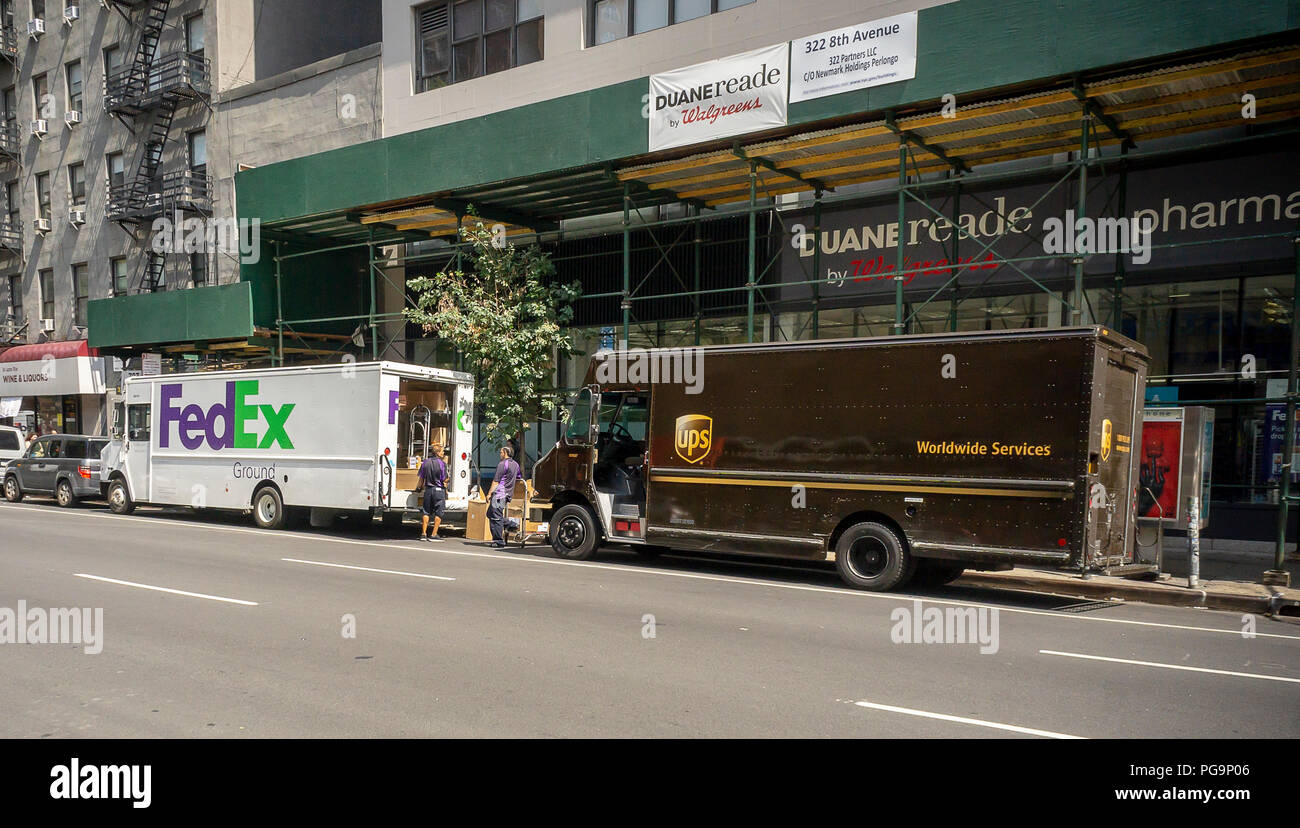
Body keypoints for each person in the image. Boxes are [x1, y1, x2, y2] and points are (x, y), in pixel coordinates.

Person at [486, 445, 521, 549]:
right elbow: (519, 477)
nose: (500, 454)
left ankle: (498, 541)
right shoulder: (515, 464)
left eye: (501, 452)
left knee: (496, 517)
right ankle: (511, 524)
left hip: (499, 494)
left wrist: (489, 493)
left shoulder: (502, 464)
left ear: (505, 453)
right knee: (490, 513)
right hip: (507, 494)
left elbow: (496, 481)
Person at [418, 441, 448, 542]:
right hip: (438, 491)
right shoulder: (442, 464)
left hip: (428, 490)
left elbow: (421, 478)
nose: (444, 453)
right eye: (442, 451)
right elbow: (444, 479)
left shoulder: (425, 462)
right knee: (439, 512)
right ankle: (434, 534)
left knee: (426, 511)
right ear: (438, 453)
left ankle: (423, 534)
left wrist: (418, 488)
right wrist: (447, 480)